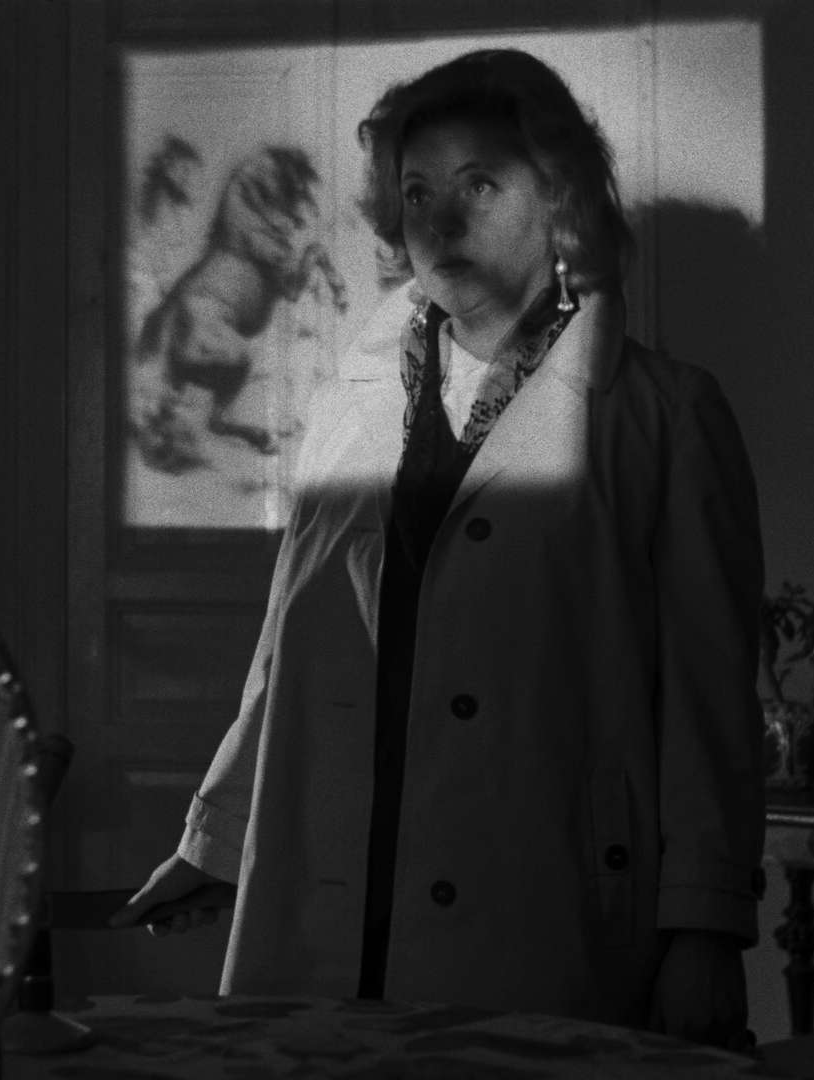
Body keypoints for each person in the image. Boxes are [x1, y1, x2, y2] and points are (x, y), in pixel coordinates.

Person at [111, 49, 767, 1050]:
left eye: (479, 185)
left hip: (538, 898)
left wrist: (704, 931)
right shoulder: (345, 409)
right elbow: (287, 656)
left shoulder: (664, 417)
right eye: (417, 192)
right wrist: (221, 838)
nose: (440, 220)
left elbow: (707, 700)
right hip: (337, 896)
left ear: (560, 200)